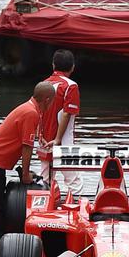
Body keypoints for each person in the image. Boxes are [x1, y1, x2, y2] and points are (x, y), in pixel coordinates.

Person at [0, 81, 56, 257]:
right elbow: (26, 147)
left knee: (0, 204)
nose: (51, 105)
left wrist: (40, 139)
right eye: (52, 101)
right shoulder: (31, 113)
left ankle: (3, 243)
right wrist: (26, 174)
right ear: (47, 100)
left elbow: (28, 138)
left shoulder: (29, 108)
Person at [36, 49, 80, 182]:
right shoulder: (71, 86)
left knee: (45, 179)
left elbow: (37, 111)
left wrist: (39, 135)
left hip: (45, 141)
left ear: (53, 65)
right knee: (73, 180)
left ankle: (43, 195)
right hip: (63, 141)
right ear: (72, 67)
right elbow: (67, 113)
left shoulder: (43, 85)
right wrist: (58, 139)